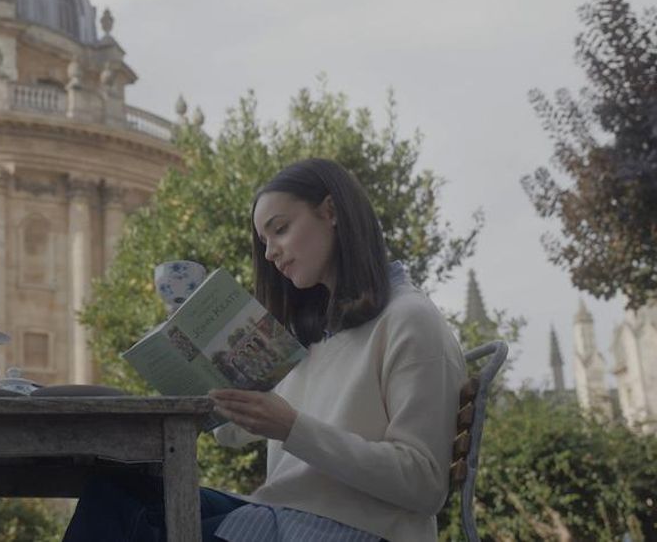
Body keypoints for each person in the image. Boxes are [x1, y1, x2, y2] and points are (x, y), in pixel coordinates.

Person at [62, 158, 465, 541]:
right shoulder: (315, 333)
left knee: (133, 530)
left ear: (331, 211)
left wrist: (291, 427)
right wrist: (206, 382)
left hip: (350, 530)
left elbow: (425, 483)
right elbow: (234, 434)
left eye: (280, 229)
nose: (270, 253)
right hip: (282, 514)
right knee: (113, 491)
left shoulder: (409, 318)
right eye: (265, 241)